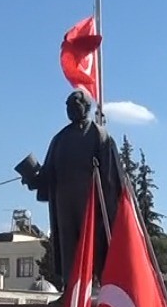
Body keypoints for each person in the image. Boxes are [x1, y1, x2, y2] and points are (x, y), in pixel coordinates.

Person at [17, 89, 123, 287]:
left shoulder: (99, 135)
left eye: (74, 105)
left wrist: (109, 207)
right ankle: (71, 290)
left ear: (87, 107)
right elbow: (48, 174)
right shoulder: (60, 139)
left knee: (92, 243)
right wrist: (33, 178)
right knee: (68, 246)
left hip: (91, 202)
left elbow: (111, 177)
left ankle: (95, 286)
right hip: (64, 203)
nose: (70, 109)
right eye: (67, 106)